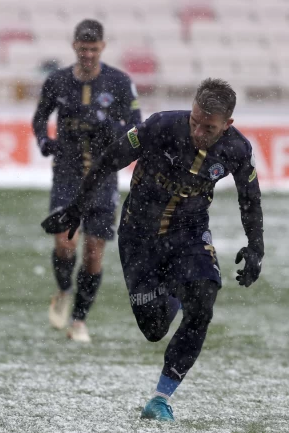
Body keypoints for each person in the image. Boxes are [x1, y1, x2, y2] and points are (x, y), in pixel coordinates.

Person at [42, 78, 264, 421]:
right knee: (155, 329)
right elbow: (107, 160)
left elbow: (250, 199)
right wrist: (77, 208)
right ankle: (176, 288)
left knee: (203, 300)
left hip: (189, 233)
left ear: (227, 125)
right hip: (139, 235)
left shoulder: (237, 149)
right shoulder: (161, 126)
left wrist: (256, 247)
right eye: (194, 121)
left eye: (209, 127)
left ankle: (161, 399)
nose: (198, 132)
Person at [32, 19, 142, 342]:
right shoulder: (57, 81)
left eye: (94, 49)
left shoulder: (120, 83)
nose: (88, 54)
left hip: (103, 175)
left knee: (94, 252)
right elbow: (40, 117)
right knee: (65, 244)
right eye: (83, 48)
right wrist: (44, 141)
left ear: (102, 48)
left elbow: (137, 126)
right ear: (74, 47)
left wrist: (111, 127)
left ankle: (79, 320)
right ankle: (64, 289)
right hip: (67, 171)